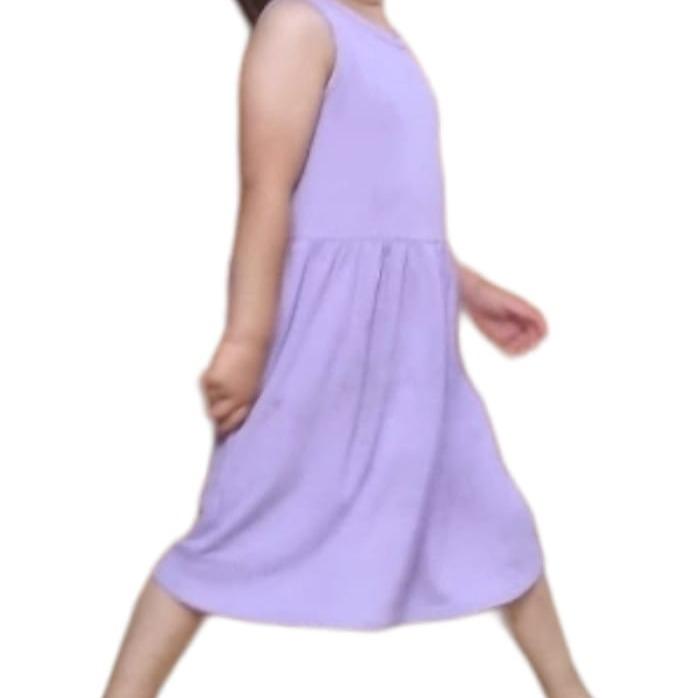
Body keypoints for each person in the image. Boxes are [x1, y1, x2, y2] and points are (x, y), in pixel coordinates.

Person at [103, 1, 592, 696]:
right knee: (235, 523)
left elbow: (384, 208)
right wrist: (246, 338)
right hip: (321, 343)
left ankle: (569, 687)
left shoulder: (382, 36)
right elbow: (267, 191)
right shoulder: (300, 24)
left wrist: (470, 289)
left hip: (412, 358)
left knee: (491, 515)